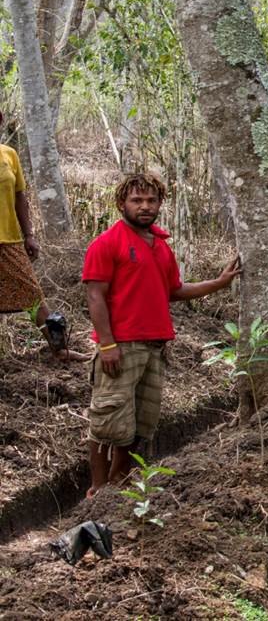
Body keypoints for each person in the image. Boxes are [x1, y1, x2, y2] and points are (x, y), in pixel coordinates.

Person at [83, 172, 240, 493]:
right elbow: (94, 295)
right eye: (136, 200)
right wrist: (107, 344)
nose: (145, 206)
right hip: (120, 347)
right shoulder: (107, 243)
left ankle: (119, 479)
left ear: (160, 204)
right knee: (107, 421)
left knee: (141, 423)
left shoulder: (161, 247)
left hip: (155, 347)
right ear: (121, 204)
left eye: (151, 200)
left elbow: (174, 290)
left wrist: (219, 283)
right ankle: (96, 491)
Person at [0, 119, 86, 361]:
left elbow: (20, 197)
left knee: (35, 298)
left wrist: (29, 234)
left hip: (8, 240)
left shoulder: (9, 155)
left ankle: (59, 349)